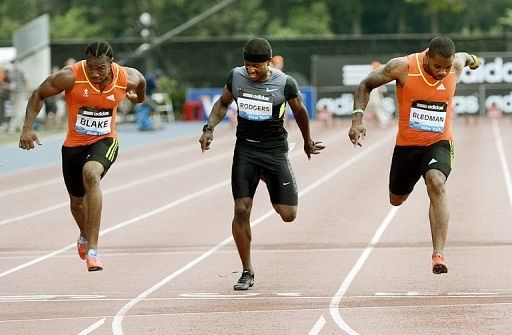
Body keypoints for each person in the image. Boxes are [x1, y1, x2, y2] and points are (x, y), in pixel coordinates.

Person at [199, 37, 324, 290]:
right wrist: (209, 128)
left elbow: (300, 112)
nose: (251, 71)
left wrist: (307, 141)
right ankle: (247, 270)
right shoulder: (236, 77)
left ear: (270, 62)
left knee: (288, 215)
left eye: (257, 66)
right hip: (245, 149)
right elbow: (223, 103)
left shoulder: (285, 83)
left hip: (275, 150)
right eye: (247, 65)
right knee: (241, 210)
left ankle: (270, 178)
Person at [349, 36, 480, 274]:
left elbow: (466, 57)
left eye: (447, 68)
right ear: (427, 55)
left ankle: (438, 254)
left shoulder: (456, 65)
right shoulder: (402, 67)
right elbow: (365, 85)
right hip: (407, 147)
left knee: (436, 183)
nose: (442, 72)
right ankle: (406, 188)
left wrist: (474, 60)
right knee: (396, 199)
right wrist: (357, 119)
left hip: (439, 142)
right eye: (437, 66)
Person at [18, 41, 146, 271]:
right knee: (77, 203)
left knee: (92, 175)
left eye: (100, 68)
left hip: (105, 140)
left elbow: (142, 84)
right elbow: (39, 94)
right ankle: (85, 236)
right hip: (74, 144)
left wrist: (139, 98)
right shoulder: (70, 77)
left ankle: (93, 252)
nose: (95, 73)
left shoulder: (127, 77)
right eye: (90, 67)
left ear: (111, 64)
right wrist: (28, 127)